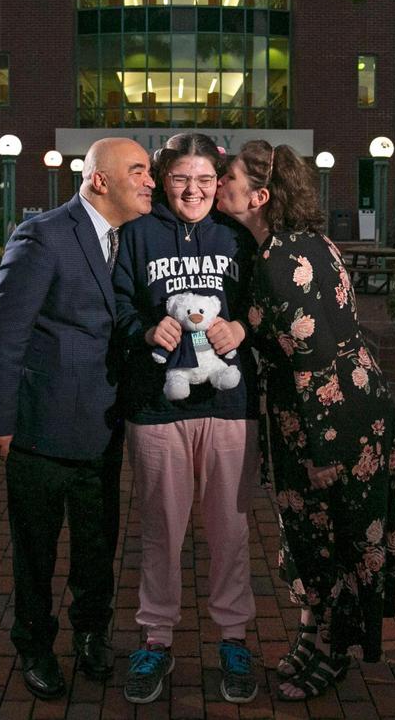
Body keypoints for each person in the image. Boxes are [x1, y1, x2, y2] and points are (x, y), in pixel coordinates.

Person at [214, 139, 395, 701]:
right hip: (357, 403)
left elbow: (313, 360)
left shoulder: (276, 262)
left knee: (328, 533)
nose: (219, 185)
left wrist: (321, 453)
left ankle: (333, 650)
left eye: (228, 180)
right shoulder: (307, 244)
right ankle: (313, 631)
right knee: (314, 531)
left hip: (326, 418)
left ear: (260, 196)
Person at [0, 137, 155, 700]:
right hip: (40, 432)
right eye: (139, 171)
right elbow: (2, 333)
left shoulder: (129, 242)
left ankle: (92, 637)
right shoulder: (44, 236)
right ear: (100, 180)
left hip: (102, 430)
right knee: (37, 552)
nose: (151, 181)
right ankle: (34, 646)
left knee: (98, 548)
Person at [112, 133, 260, 704]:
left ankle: (233, 637)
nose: (193, 190)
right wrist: (145, 330)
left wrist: (242, 328)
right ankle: (155, 637)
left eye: (204, 179)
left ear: (218, 180)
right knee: (161, 530)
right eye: (180, 179)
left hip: (229, 405)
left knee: (230, 529)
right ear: (162, 178)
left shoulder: (237, 234)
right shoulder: (137, 233)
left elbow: (261, 303)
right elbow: (120, 302)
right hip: (156, 407)